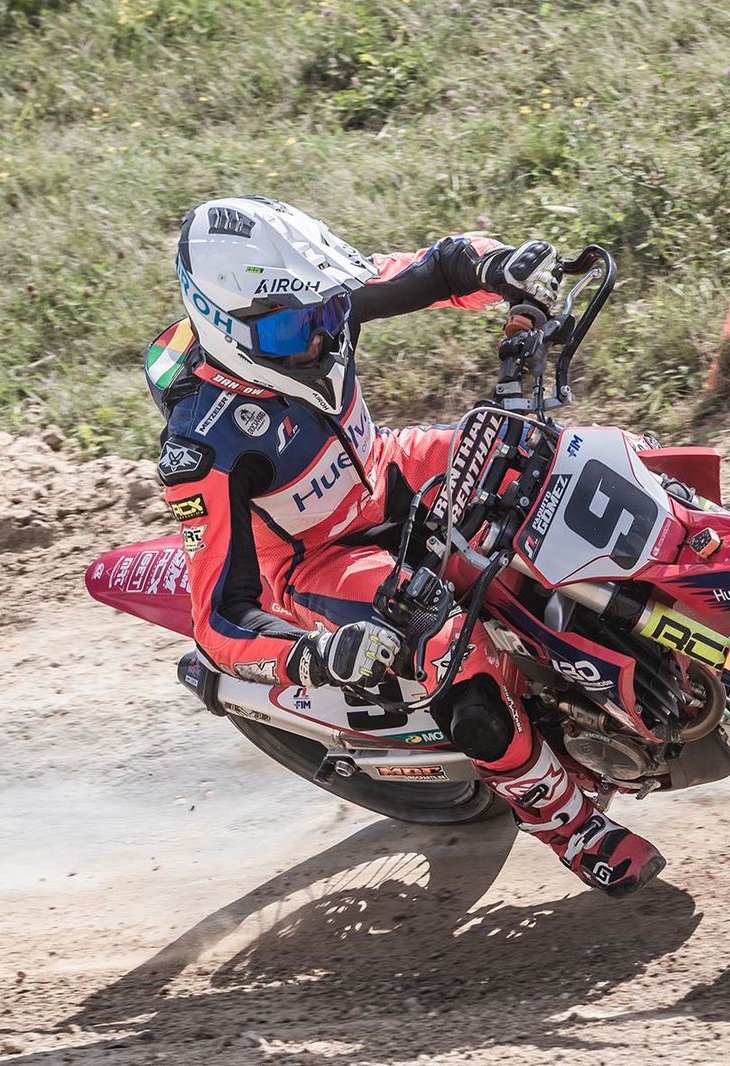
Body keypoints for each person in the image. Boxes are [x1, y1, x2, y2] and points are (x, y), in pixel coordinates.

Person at [144, 195, 664, 897]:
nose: (323, 336)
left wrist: (501, 266)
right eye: (300, 325)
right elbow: (221, 619)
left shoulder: (306, 304)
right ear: (223, 325)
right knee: (455, 656)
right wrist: (312, 655)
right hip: (317, 560)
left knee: (581, 456)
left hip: (390, 469)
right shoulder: (200, 447)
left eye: (328, 313)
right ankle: (569, 826)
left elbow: (438, 266)